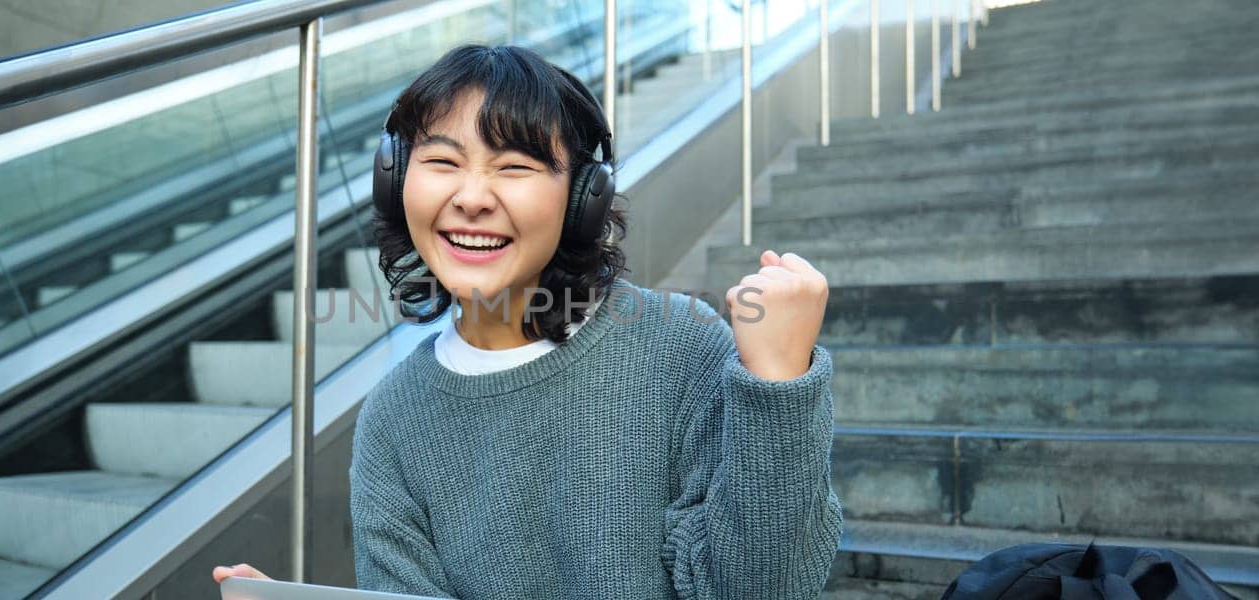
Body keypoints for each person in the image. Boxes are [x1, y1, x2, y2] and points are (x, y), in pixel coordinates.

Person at [214, 43, 841, 599]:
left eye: (514, 167)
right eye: (441, 163)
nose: (472, 197)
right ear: (395, 183)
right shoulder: (394, 419)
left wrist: (779, 387)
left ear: (583, 200)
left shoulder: (683, 349)